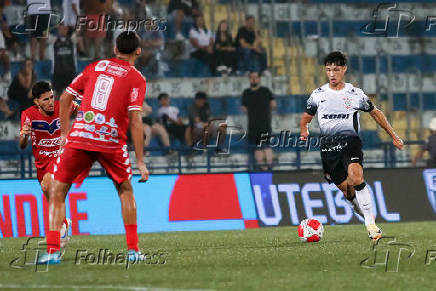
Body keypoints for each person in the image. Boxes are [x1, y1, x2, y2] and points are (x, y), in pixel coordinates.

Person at [36, 31, 149, 264]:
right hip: (110, 140)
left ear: (115, 49)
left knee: (57, 192)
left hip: (81, 136)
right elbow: (136, 120)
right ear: (138, 51)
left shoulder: (96, 67)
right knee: (125, 191)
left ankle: (53, 251)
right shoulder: (137, 78)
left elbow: (65, 99)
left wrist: (65, 135)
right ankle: (133, 250)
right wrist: (140, 161)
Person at [299, 51, 404, 241]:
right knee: (348, 191)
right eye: (329, 70)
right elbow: (306, 117)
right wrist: (304, 130)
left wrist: (394, 136)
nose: (332, 74)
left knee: (356, 177)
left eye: (336, 70)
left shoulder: (355, 94)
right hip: (328, 149)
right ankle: (362, 212)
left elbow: (376, 113)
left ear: (344, 70)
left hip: (350, 143)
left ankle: (371, 225)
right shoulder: (318, 95)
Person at [19, 81, 84, 250]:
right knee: (51, 195)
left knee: (51, 187)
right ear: (36, 102)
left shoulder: (63, 106)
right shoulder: (27, 115)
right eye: (45, 99)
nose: (50, 102)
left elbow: (82, 110)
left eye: (51, 97)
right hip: (42, 164)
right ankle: (63, 224)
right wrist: (24, 136)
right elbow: (22, 145)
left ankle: (56, 240)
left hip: (62, 157)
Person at [241, 71, 276, 169]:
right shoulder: (246, 92)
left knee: (266, 145)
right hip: (253, 125)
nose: (254, 79)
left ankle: (269, 166)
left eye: (256, 77)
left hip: (265, 124)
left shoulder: (266, 91)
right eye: (252, 77)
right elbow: (243, 108)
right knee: (257, 147)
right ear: (249, 79)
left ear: (259, 78)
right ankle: (262, 167)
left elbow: (273, 104)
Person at [52, 23, 77, 95]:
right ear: (58, 30)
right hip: (57, 72)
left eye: (65, 29)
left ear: (68, 29)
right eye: (61, 29)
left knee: (71, 95)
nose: (63, 30)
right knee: (57, 94)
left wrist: (71, 27)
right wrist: (55, 27)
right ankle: (57, 106)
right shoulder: (53, 40)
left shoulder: (73, 39)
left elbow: (78, 31)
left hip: (70, 71)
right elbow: (44, 33)